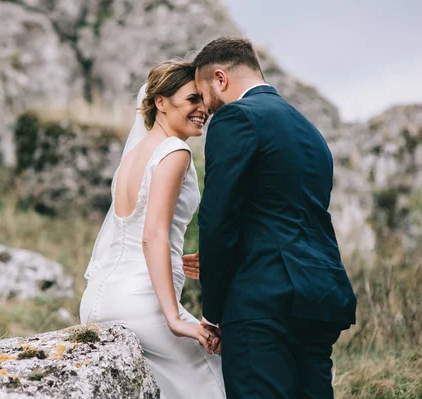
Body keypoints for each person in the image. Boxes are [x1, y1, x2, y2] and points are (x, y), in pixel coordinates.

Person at [184, 37, 357, 399]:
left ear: (220, 78)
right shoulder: (311, 132)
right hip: (320, 296)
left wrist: (212, 313)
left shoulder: (236, 117)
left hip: (262, 300)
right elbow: (283, 212)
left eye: (204, 94)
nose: (207, 108)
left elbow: (218, 218)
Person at [79, 60, 226, 399]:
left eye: (203, 100)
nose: (203, 108)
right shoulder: (175, 151)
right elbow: (153, 234)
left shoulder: (132, 157)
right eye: (192, 99)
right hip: (143, 304)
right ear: (160, 101)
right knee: (217, 377)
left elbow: (136, 231)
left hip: (97, 302)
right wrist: (174, 319)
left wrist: (176, 257)